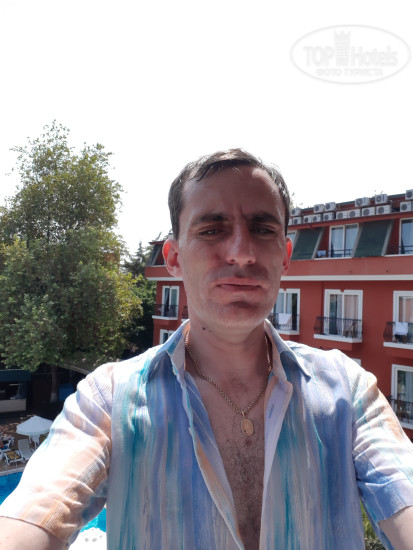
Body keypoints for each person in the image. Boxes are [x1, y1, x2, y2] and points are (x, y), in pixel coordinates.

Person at [0, 149, 413, 550]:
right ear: (174, 258)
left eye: (263, 229)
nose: (242, 253)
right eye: (212, 229)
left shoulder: (349, 391)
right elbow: (37, 511)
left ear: (285, 256)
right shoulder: (107, 401)